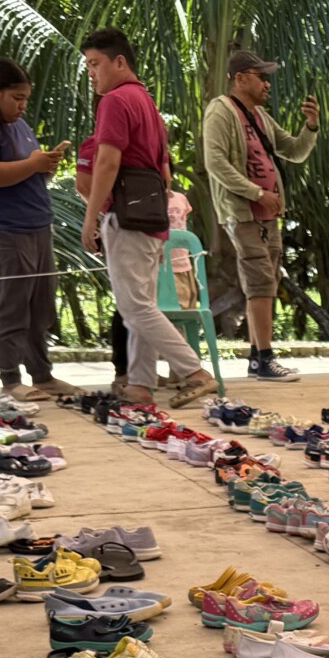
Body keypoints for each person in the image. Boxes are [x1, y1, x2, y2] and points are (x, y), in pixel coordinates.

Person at [80, 26, 215, 409]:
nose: (92, 73)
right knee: (142, 304)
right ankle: (140, 385)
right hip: (152, 216)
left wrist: (91, 218)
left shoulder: (115, 101)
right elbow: (165, 170)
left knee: (134, 307)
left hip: (127, 215)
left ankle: (194, 371)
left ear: (119, 62)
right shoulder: (147, 103)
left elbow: (107, 163)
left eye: (96, 64)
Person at [0, 57, 73, 397]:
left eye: (26, 99)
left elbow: (27, 170)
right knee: (12, 305)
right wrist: (34, 164)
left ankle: (42, 375)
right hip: (1, 227)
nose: (22, 106)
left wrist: (44, 165)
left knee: (41, 306)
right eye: (17, 98)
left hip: (36, 223)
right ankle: (10, 379)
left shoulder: (18, 124)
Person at [201, 48, 318, 383]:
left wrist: (311, 126)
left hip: (268, 215)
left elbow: (294, 151)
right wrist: (257, 194)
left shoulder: (261, 117)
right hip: (244, 212)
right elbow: (216, 163)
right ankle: (265, 359)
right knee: (260, 280)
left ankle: (258, 358)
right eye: (261, 77)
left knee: (267, 280)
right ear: (240, 79)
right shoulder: (221, 111)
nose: (267, 84)